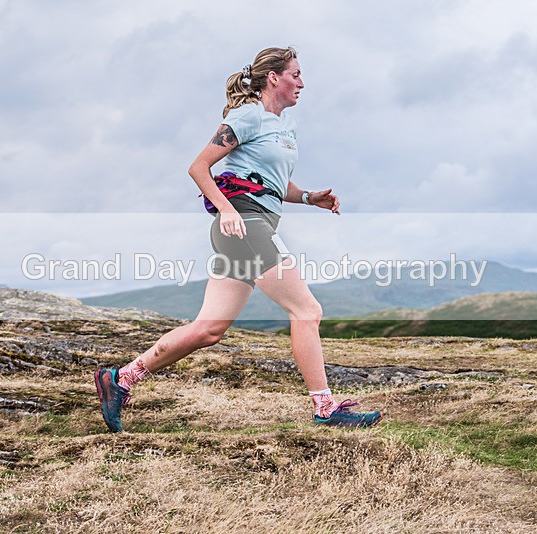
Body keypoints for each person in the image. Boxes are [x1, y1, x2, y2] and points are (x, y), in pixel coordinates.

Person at [95, 47, 382, 432]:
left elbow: (272, 183)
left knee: (208, 330)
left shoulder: (285, 127)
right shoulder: (246, 117)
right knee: (307, 311)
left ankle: (120, 380)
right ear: (273, 78)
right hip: (244, 223)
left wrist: (310, 197)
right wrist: (227, 209)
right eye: (295, 74)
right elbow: (199, 168)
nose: (302, 82)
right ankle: (326, 408)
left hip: (256, 222)